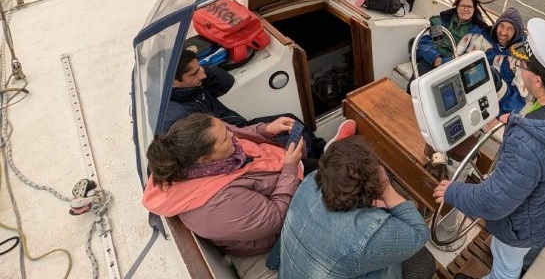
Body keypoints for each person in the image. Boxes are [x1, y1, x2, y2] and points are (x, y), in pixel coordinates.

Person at [433, 18, 545, 279]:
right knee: (515, 251)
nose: (519, 68)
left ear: (537, 80)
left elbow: (494, 202)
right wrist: (518, 121)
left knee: (507, 267)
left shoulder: (528, 141)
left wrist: (454, 192)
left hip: (529, 224)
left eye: (521, 65)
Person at [142, 113, 304, 257]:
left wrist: (265, 130)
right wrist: (290, 168)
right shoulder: (218, 204)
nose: (231, 134)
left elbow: (236, 133)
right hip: (280, 226)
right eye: (226, 137)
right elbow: (277, 218)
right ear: (205, 159)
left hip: (282, 172)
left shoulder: (200, 154)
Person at [279, 136, 435, 279]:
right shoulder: (364, 239)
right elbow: (419, 232)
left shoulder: (309, 182)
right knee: (424, 262)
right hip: (350, 252)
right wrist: (387, 189)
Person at [163, 49, 325, 156]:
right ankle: (311, 166)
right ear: (173, 82)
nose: (202, 76)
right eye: (194, 73)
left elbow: (226, 83)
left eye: (200, 68)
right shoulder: (180, 117)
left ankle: (321, 150)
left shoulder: (190, 87)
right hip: (233, 142)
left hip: (240, 126)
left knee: (291, 120)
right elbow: (214, 149)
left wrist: (202, 70)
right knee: (298, 138)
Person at [458, 7, 528, 115]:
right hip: (470, 93)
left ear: (516, 33)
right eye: (501, 26)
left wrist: (500, 115)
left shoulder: (520, 58)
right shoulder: (480, 39)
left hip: (499, 102)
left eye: (510, 29)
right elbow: (459, 61)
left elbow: (518, 96)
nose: (503, 32)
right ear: (496, 26)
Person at [416, 0, 488, 75]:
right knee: (417, 81)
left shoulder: (476, 33)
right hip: (431, 59)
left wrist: (443, 62)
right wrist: (435, 58)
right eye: (462, 6)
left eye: (469, 6)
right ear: (457, 7)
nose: (465, 9)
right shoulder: (441, 21)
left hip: (452, 67)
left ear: (474, 9)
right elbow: (426, 41)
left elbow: (468, 58)